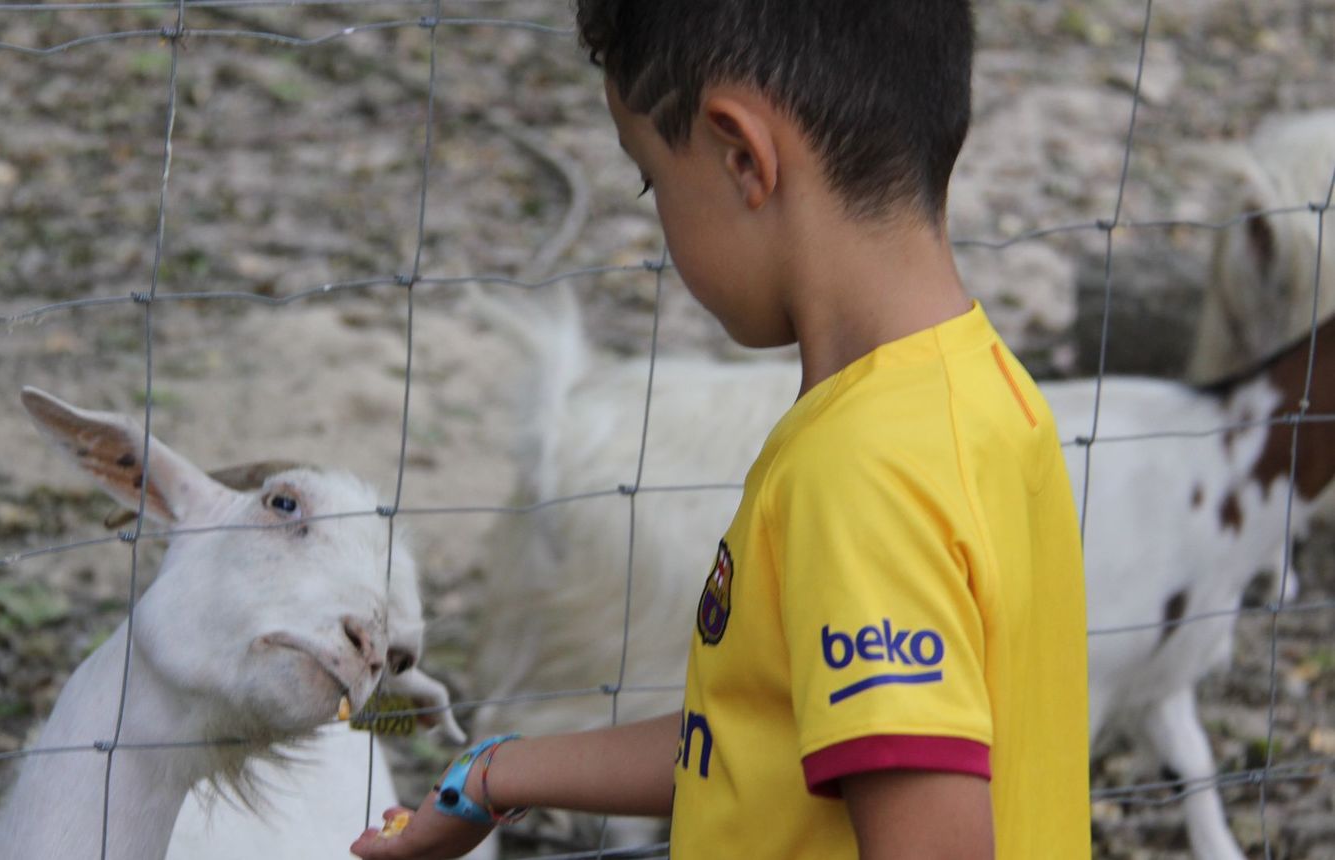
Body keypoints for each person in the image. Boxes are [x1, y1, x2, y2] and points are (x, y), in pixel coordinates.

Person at [352, 2, 1089, 857]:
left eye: (651, 177)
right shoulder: (985, 391)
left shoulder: (864, 470)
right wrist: (489, 775)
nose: (660, 220)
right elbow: (757, 741)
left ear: (742, 156)